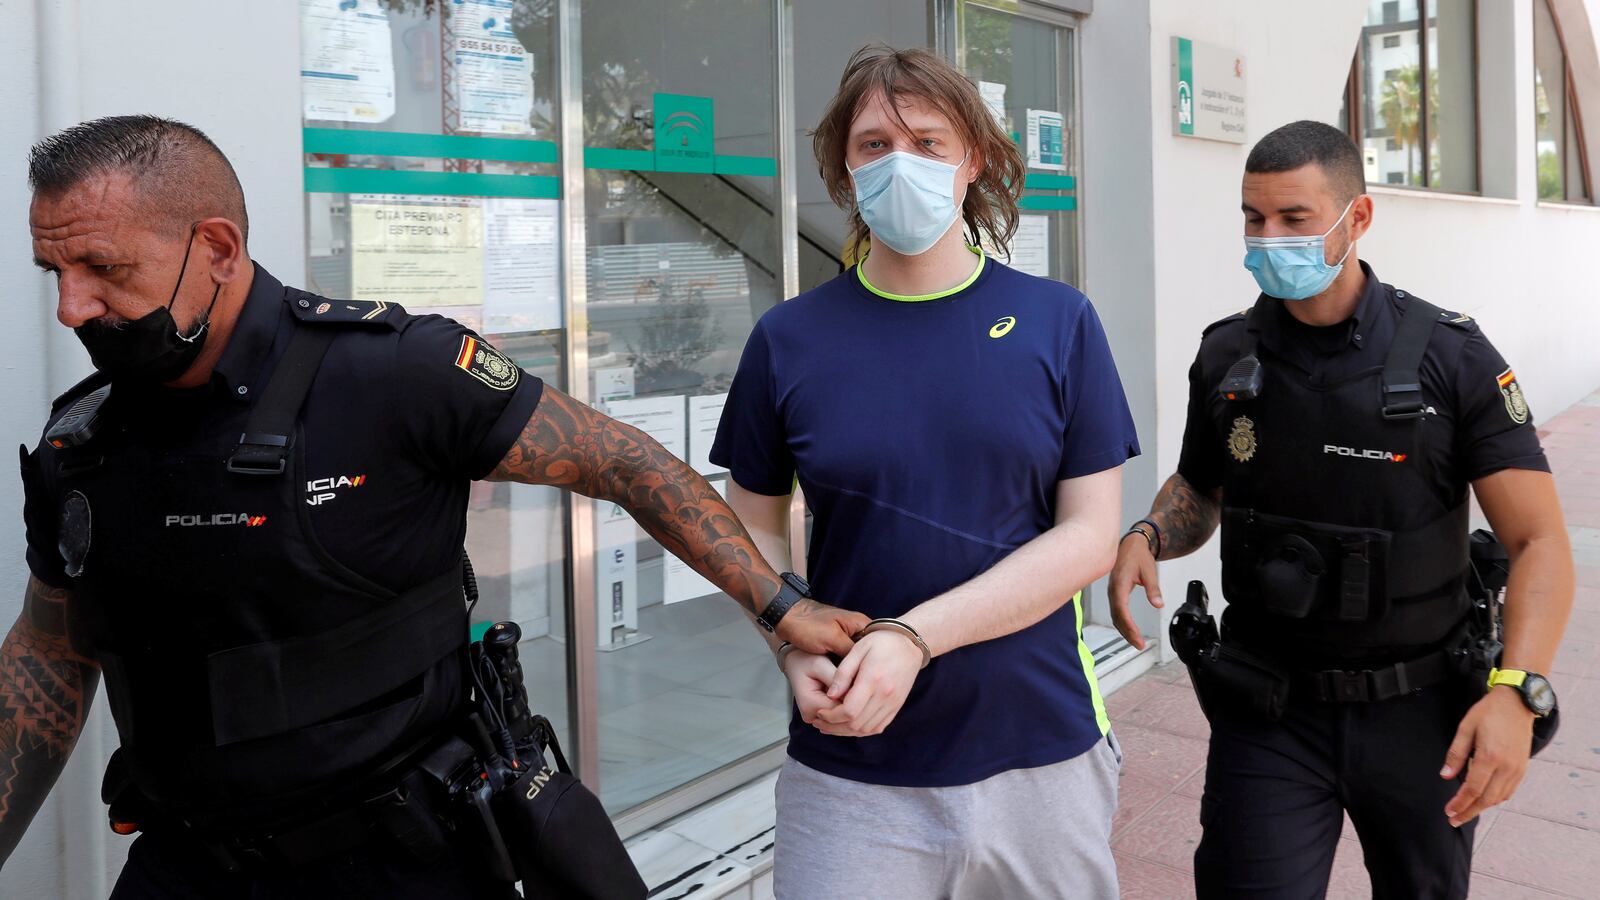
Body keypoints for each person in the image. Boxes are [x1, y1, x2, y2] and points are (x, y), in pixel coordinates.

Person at [1, 115, 868, 898]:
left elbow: (624, 462)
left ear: (218, 248)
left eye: (104, 269)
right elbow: (49, 653)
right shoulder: (83, 442)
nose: (72, 307)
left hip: (403, 860)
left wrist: (781, 605)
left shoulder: (391, 372)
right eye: (56, 272)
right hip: (186, 867)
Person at [712, 45, 1140, 899]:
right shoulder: (789, 339)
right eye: (874, 144)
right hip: (852, 766)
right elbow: (747, 526)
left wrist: (913, 638)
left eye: (928, 142)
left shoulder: (1058, 321)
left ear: (971, 159)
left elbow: (1091, 536)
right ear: (845, 168)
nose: (899, 162)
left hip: (1041, 750)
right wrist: (787, 641)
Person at [1109, 120, 1574, 899]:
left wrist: (1516, 691)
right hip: (1269, 707)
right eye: (1254, 218)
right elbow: (1201, 486)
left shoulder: (1452, 358)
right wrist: (1148, 534)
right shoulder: (1227, 357)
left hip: (1421, 711)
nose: (1269, 239)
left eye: (1294, 218)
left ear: (1357, 217)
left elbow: (1539, 541)